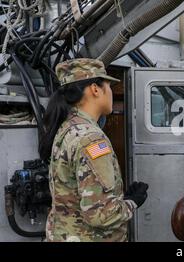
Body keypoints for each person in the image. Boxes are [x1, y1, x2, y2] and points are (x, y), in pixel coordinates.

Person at [39, 58, 148, 242]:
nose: (111, 92)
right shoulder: (91, 139)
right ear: (95, 89)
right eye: (109, 85)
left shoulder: (67, 128)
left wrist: (119, 199)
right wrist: (132, 203)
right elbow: (101, 215)